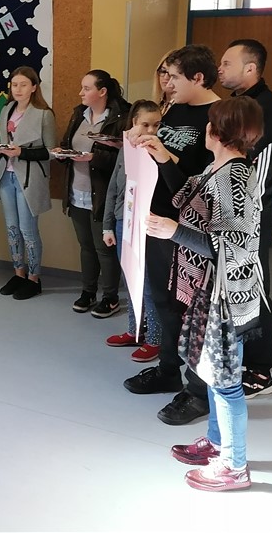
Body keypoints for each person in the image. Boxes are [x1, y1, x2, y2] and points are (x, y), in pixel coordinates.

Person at [146, 96, 265, 491]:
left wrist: (174, 231)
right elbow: (188, 195)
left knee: (226, 381)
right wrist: (163, 159)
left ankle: (234, 465)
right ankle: (216, 444)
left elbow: (232, 243)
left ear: (217, 132)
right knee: (212, 372)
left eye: (210, 123)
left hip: (226, 295)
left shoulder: (235, 177)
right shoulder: (220, 168)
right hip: (211, 289)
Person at [122, 44, 221, 427]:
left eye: (174, 76)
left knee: (194, 310)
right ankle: (168, 370)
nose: (167, 82)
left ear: (198, 77)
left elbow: (203, 182)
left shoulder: (219, 116)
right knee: (163, 300)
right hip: (158, 218)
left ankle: (198, 391)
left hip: (189, 228)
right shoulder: (175, 109)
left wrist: (163, 155)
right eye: (165, 74)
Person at [218, 39, 272, 398]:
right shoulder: (238, 104)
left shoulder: (268, 108)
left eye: (227, 63)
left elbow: (240, 156)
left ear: (251, 68)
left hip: (252, 212)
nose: (220, 69)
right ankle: (238, 357)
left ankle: (261, 371)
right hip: (231, 210)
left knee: (254, 287)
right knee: (233, 286)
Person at [55, 70, 130, 316]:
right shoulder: (80, 113)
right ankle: (88, 292)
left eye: (86, 88)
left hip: (103, 194)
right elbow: (68, 143)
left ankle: (110, 297)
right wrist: (63, 153)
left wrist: (94, 157)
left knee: (103, 248)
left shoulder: (121, 117)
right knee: (86, 246)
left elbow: (125, 159)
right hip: (77, 191)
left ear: (102, 91)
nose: (81, 93)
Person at [103, 99, 163, 362]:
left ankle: (155, 339)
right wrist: (107, 225)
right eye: (145, 124)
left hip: (147, 226)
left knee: (147, 285)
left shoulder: (159, 152)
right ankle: (135, 330)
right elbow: (114, 189)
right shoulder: (126, 151)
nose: (150, 131)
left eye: (156, 125)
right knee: (130, 279)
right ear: (133, 123)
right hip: (123, 221)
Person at [0, 66, 56, 300]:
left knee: (28, 230)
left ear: (34, 87)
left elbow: (52, 152)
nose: (18, 89)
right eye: (14, 84)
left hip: (29, 178)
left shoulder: (44, 114)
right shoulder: (6, 109)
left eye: (23, 85)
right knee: (12, 228)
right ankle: (18, 273)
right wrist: (1, 149)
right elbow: (6, 141)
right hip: (6, 176)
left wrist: (22, 152)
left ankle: (34, 278)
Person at [153, 52, 175, 116]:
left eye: (171, 73)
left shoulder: (184, 107)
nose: (166, 77)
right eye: (163, 71)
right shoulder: (158, 105)